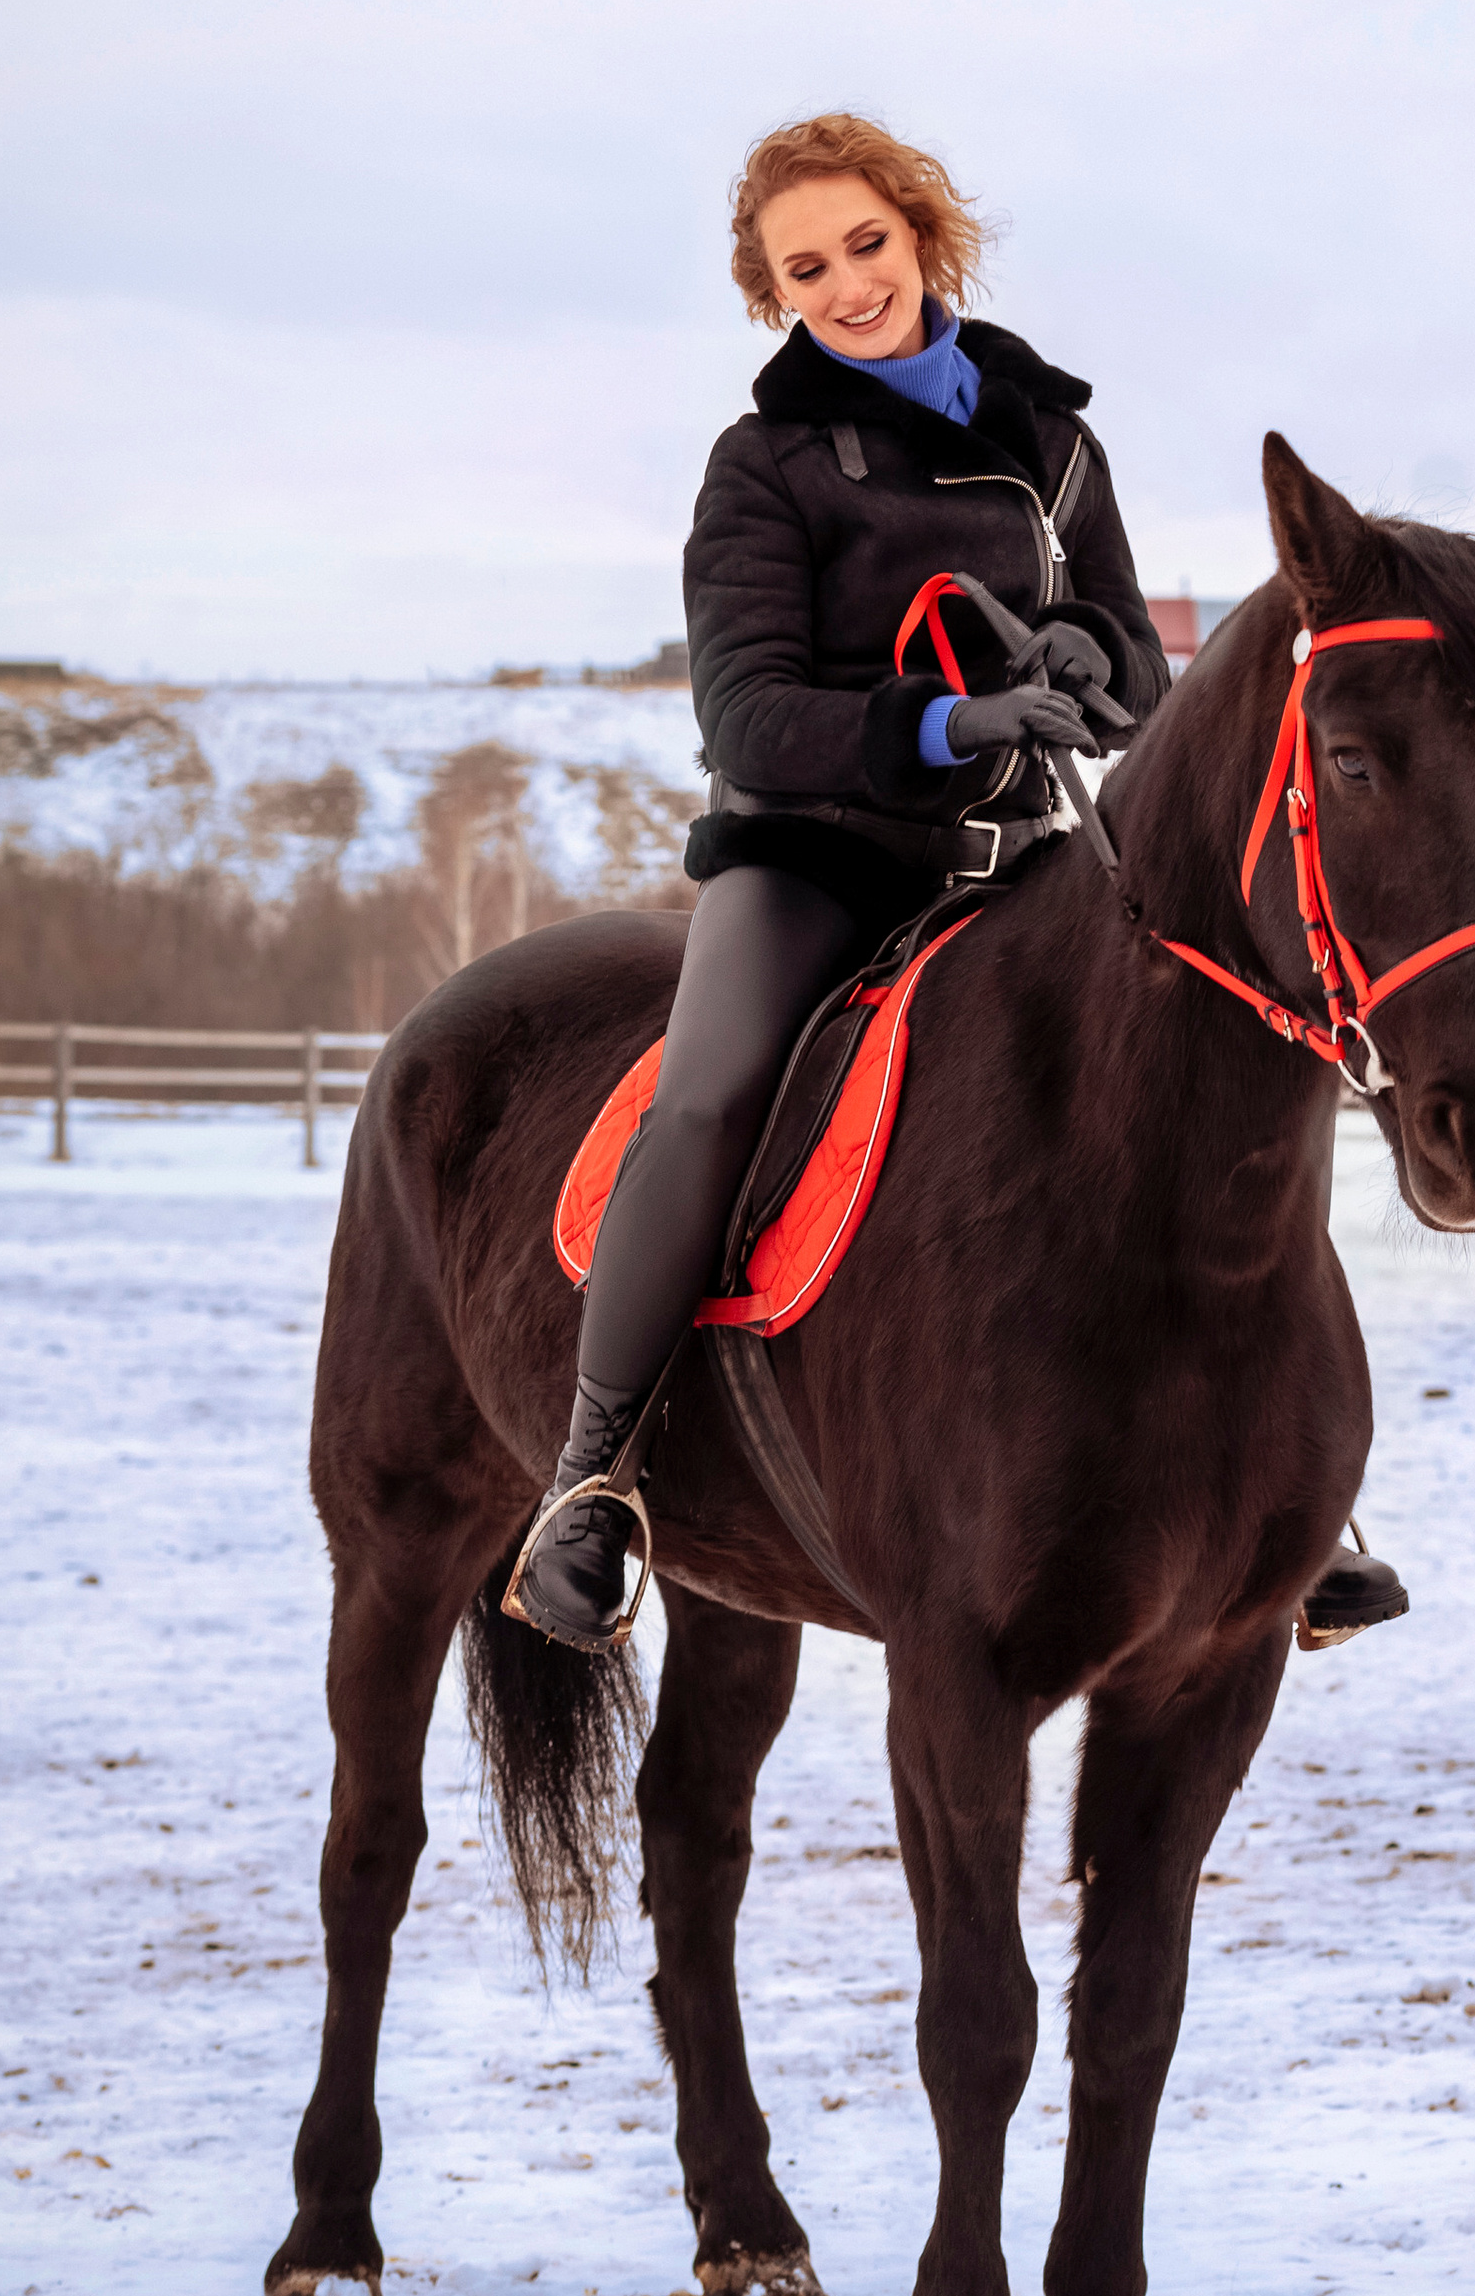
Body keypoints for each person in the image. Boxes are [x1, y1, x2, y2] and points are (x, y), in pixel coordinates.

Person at [509, 110, 1406, 1656]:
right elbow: (748, 714)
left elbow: (1139, 669)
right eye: (806, 269)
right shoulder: (765, 465)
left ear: (924, 232)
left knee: (1209, 1070)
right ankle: (596, 1484)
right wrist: (946, 720)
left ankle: (1292, 1491)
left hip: (1023, 862)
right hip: (812, 859)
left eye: (866, 243)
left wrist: (1088, 660)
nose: (847, 284)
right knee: (710, 1099)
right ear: (772, 295)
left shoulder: (1054, 442)